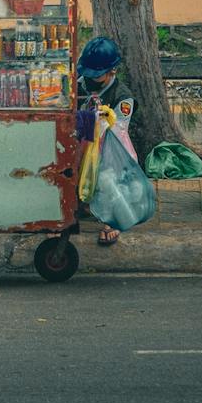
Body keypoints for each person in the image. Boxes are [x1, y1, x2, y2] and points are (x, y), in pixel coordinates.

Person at [77, 35, 135, 246]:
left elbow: (118, 132)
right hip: (81, 143)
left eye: (97, 75)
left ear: (113, 71)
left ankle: (112, 220)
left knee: (108, 174)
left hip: (109, 146)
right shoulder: (80, 83)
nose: (91, 79)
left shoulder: (122, 97)